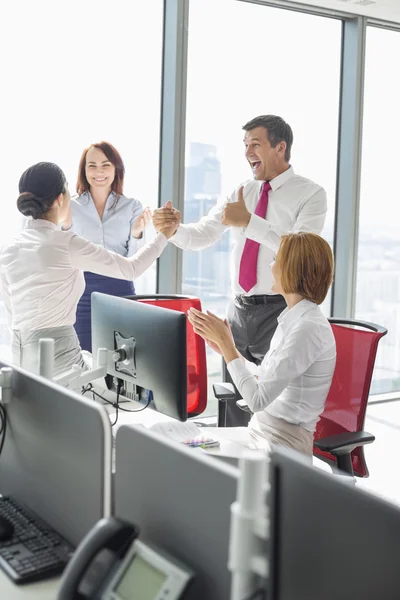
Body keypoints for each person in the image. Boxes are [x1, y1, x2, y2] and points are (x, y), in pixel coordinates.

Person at [153, 114, 328, 426]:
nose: (248, 152)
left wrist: (249, 222)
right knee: (234, 401)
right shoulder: (241, 193)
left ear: (280, 147)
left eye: (256, 144)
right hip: (238, 310)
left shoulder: (310, 195)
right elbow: (201, 235)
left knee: (271, 408)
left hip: (279, 311)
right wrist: (173, 229)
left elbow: (300, 254)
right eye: (245, 145)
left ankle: (271, 466)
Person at [0, 162, 177, 377]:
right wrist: (164, 236)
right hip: (60, 354)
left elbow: (12, 314)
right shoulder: (66, 243)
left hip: (21, 356)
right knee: (109, 395)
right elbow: (131, 269)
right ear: (60, 199)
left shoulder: (9, 249)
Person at [187, 232, 336, 456]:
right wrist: (227, 348)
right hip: (258, 434)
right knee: (185, 442)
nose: (271, 265)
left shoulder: (308, 329)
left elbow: (257, 400)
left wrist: (228, 347)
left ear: (293, 270)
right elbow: (267, 382)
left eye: (277, 259)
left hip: (282, 446)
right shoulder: (291, 318)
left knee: (193, 457)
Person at [61, 141, 151, 352]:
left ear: (116, 169)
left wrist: (137, 232)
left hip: (120, 286)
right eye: (91, 165)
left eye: (105, 165)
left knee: (123, 357)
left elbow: (134, 261)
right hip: (82, 289)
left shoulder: (132, 206)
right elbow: (64, 250)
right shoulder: (70, 206)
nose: (98, 171)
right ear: (83, 171)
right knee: (83, 355)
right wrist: (65, 225)